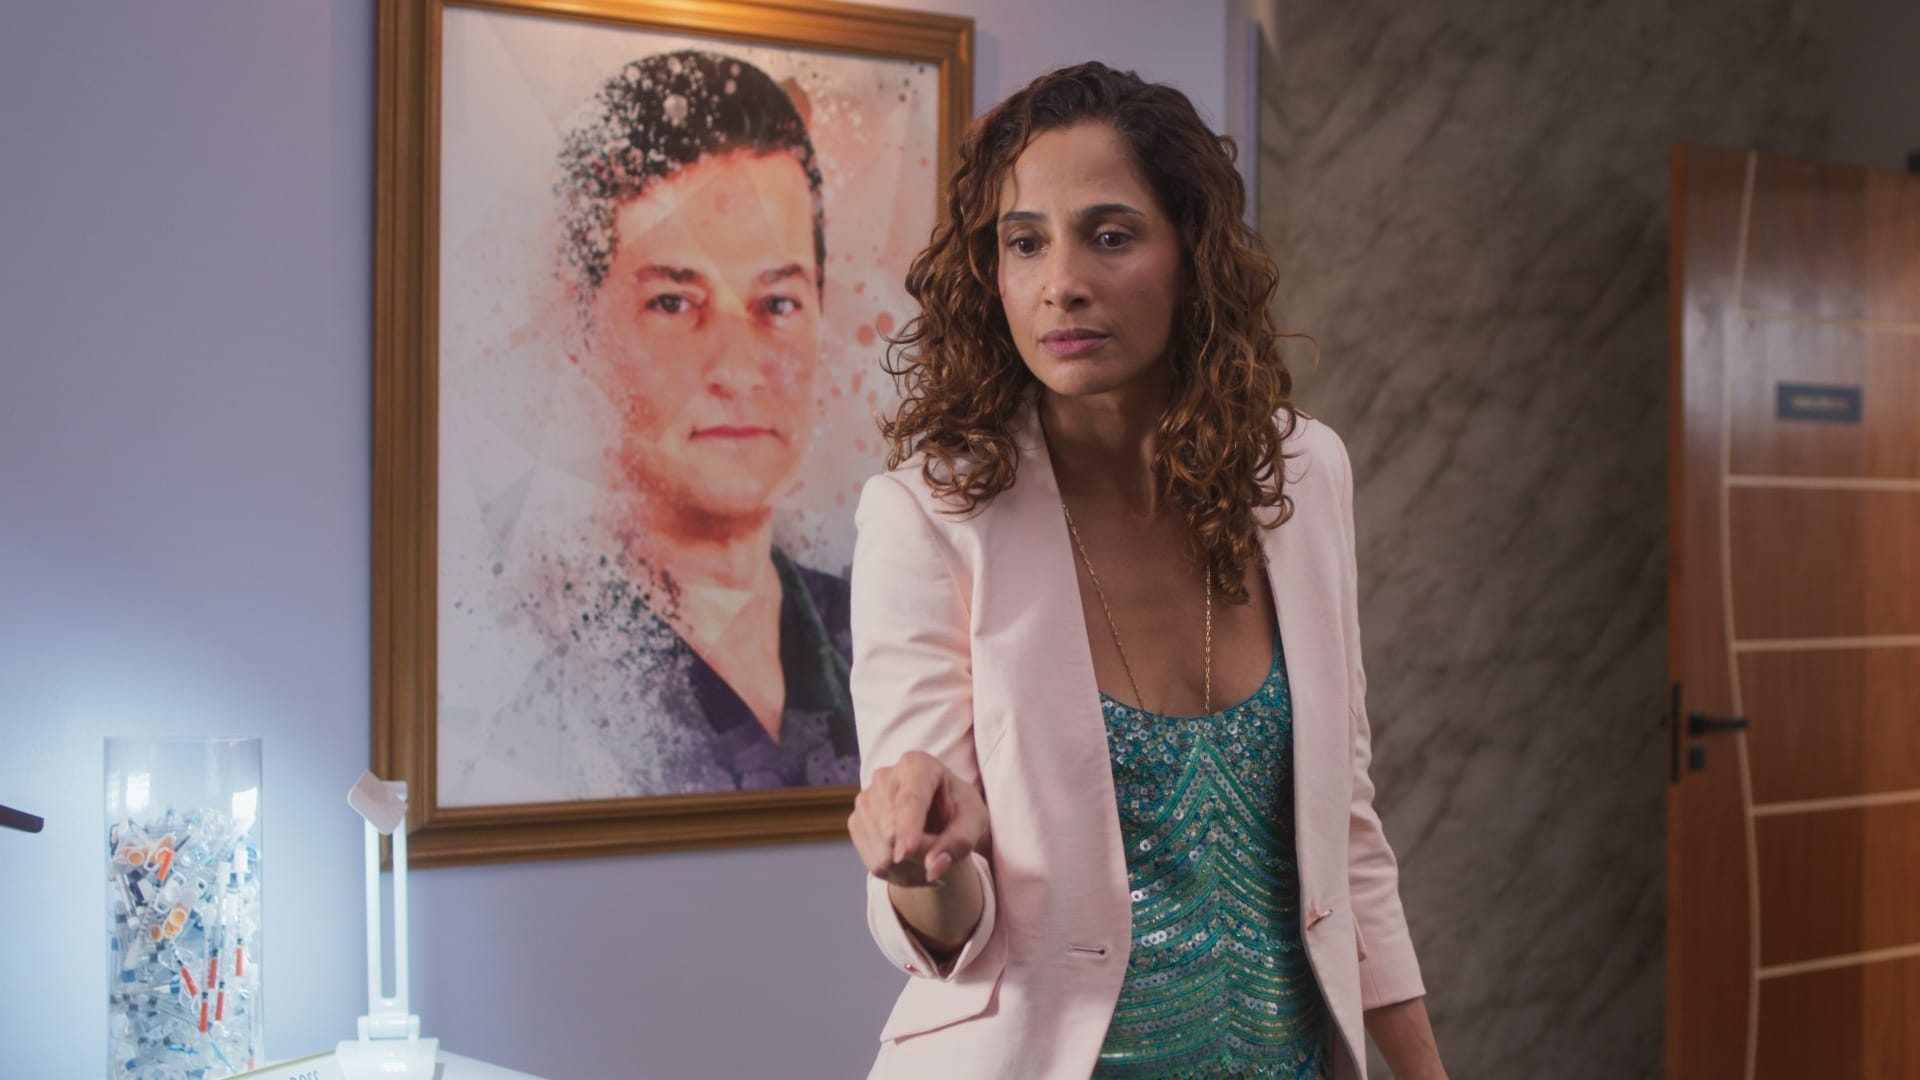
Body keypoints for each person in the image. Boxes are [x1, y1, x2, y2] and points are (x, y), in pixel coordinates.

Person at [845, 63, 1446, 1078]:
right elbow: (949, 929)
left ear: (1192, 254)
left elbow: (1346, 833)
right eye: (1025, 242)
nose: (1061, 282)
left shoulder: (1302, 474)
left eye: (1111, 235)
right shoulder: (929, 519)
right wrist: (919, 865)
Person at [473, 50, 860, 799]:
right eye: (675, 303)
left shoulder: (874, 633)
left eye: (778, 303)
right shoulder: (527, 668)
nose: (739, 369)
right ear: (583, 328)